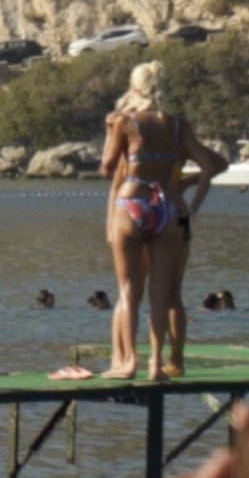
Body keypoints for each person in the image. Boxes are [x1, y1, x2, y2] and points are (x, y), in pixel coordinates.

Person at [72, 61, 225, 383]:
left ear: (136, 88)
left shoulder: (126, 121)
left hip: (133, 201)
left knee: (129, 290)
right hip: (166, 206)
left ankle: (128, 363)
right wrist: (191, 196)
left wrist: (109, 131)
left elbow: (107, 167)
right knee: (161, 292)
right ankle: (157, 365)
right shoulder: (177, 125)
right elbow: (212, 164)